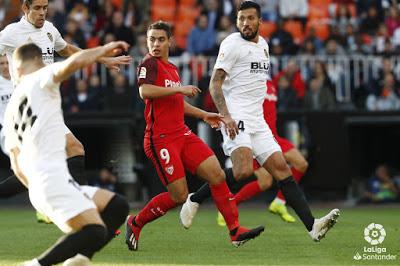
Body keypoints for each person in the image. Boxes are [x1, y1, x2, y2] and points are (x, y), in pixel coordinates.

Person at [180, 1, 340, 242]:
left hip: (258, 121)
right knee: (243, 171)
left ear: (259, 21)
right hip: (237, 117)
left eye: (250, 18)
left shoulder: (264, 46)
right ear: (237, 21)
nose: (245, 23)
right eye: (241, 18)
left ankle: (312, 226)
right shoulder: (231, 44)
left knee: (282, 171)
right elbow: (215, 84)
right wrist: (227, 116)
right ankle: (194, 199)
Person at [125, 21, 264, 251]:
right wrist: (179, 89)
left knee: (217, 175)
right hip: (160, 139)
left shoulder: (172, 68)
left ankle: (235, 231)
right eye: (152, 40)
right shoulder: (149, 63)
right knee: (179, 195)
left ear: (170, 41)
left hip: (182, 134)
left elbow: (176, 103)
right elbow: (145, 91)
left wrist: (204, 114)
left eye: (160, 39)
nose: (156, 44)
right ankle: (136, 222)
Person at [4, 42, 130, 266]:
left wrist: (37, 194)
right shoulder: (40, 78)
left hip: (43, 184)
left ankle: (80, 259)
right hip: (52, 180)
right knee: (95, 231)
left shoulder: (11, 109)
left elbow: (15, 162)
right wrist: (104, 49)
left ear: (17, 70)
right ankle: (36, 264)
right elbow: (73, 63)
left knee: (117, 206)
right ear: (40, 63)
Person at [0, 0, 130, 200]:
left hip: (47, 105)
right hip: (29, 108)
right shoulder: (11, 33)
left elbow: (67, 49)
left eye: (45, 8)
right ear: (25, 8)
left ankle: (85, 207)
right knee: (38, 169)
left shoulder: (50, 30)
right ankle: (86, 208)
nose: (42, 13)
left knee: (73, 150)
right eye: (37, 8)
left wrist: (102, 59)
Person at [216, 80, 308, 225]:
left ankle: (279, 202)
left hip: (271, 137)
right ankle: (229, 205)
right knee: (265, 181)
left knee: (300, 164)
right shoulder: (249, 81)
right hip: (257, 137)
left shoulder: (271, 82)